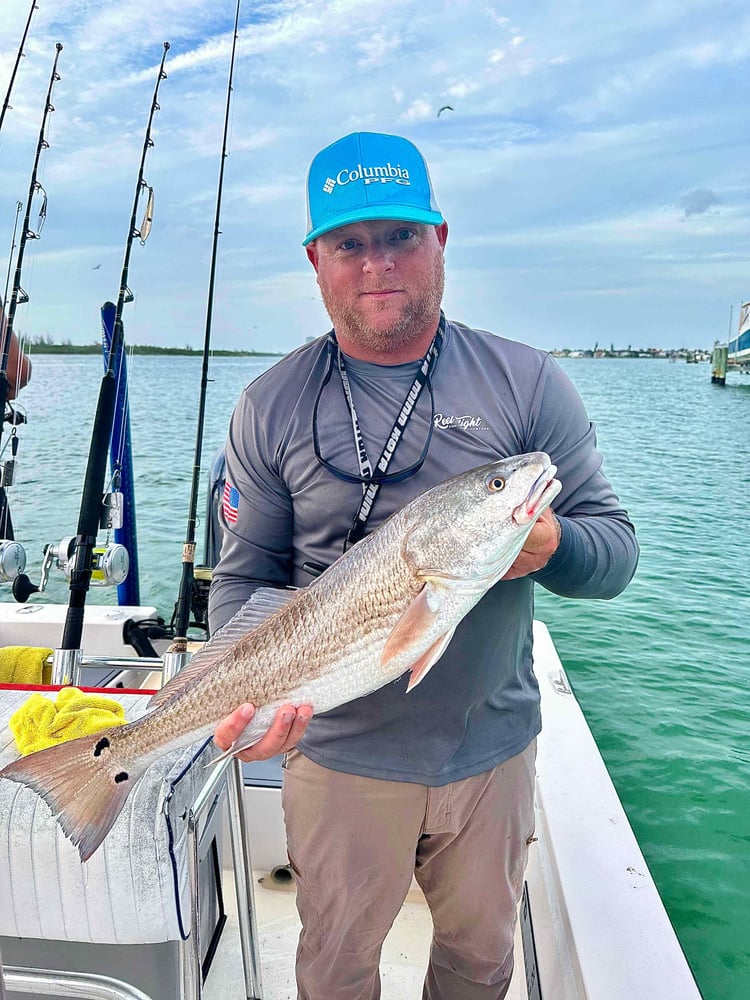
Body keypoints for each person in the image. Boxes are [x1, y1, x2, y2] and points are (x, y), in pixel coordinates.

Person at [208, 131, 639, 1000]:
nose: (378, 265)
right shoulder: (271, 405)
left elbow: (616, 555)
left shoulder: (526, 383)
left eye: (402, 236)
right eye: (350, 243)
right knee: (335, 968)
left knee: (481, 965)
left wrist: (554, 547)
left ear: (440, 239)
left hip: (490, 755)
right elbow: (242, 583)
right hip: (332, 756)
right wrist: (255, 698)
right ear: (316, 259)